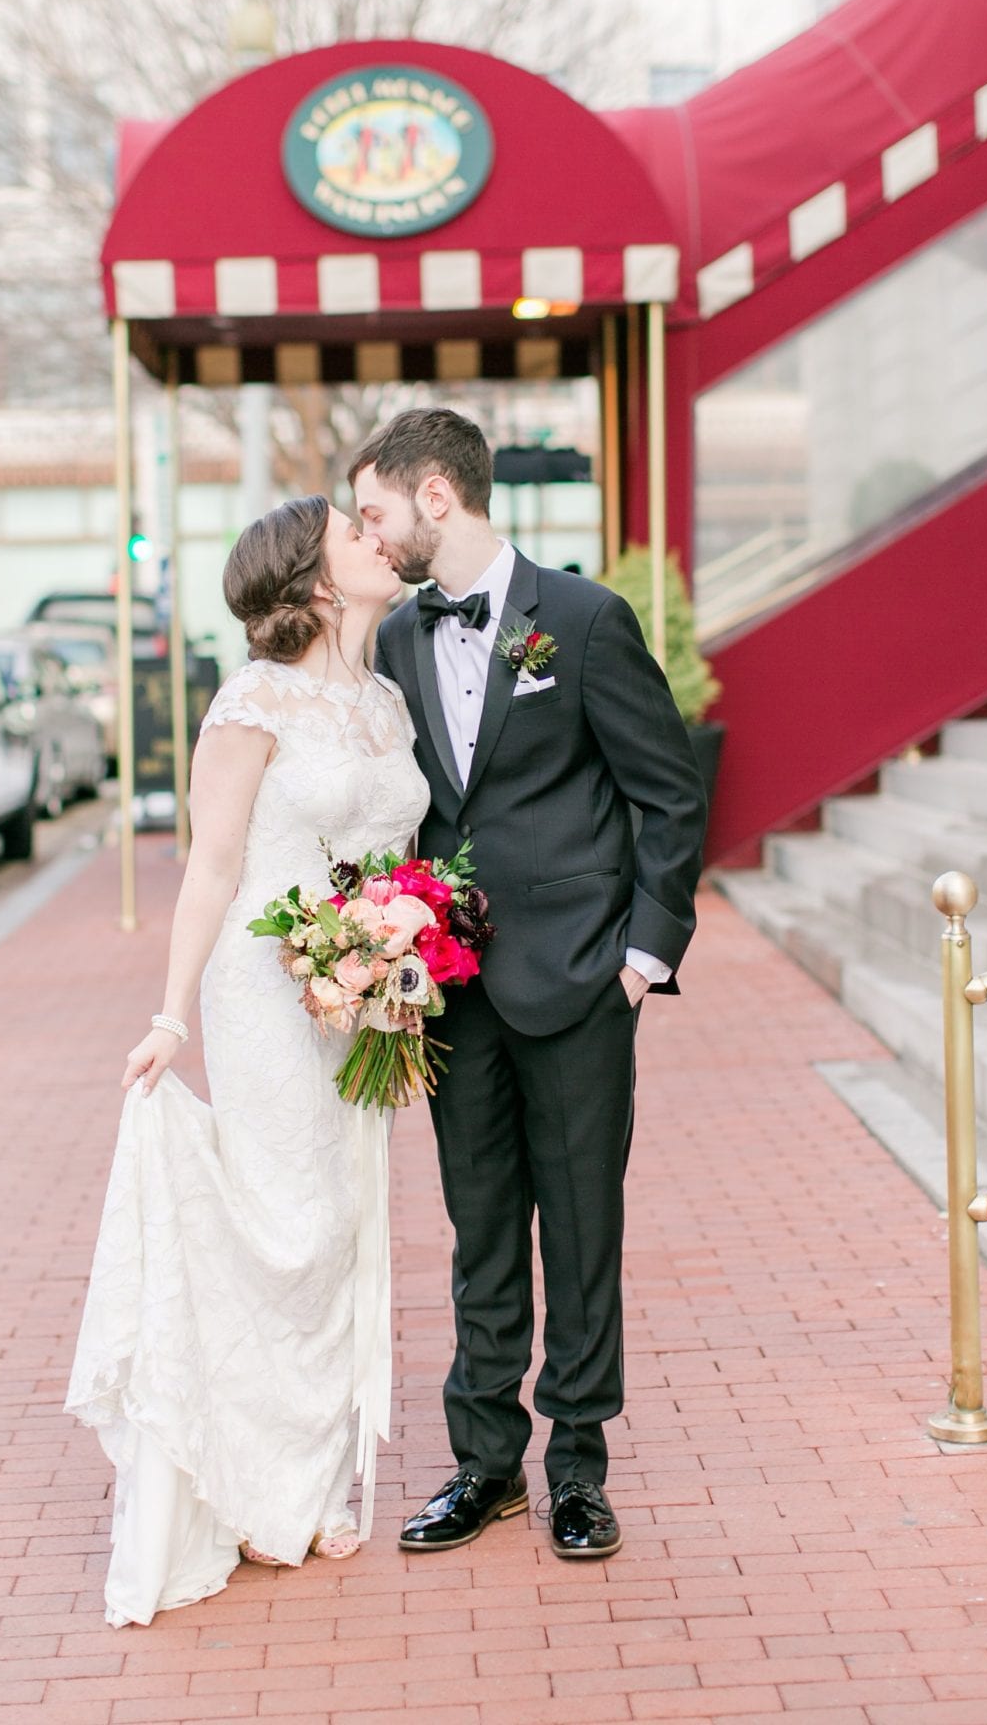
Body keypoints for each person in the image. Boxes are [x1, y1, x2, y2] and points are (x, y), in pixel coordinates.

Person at [351, 409, 708, 1560]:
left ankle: (579, 1469)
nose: (369, 534)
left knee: (584, 1228)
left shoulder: (587, 619)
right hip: (455, 992)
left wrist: (643, 958)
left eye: (375, 511)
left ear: (437, 498)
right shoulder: (398, 642)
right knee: (482, 1228)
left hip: (580, 982)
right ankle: (484, 1464)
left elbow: (668, 793)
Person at [65, 496, 428, 1627]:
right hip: (265, 991)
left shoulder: (384, 700)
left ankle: (313, 1484)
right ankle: (250, 1479)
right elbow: (214, 871)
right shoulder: (252, 700)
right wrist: (170, 1018)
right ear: (318, 583)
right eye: (353, 535)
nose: (377, 539)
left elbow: (401, 859)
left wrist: (399, 943)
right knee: (292, 1225)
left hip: (363, 994)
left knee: (349, 1225)